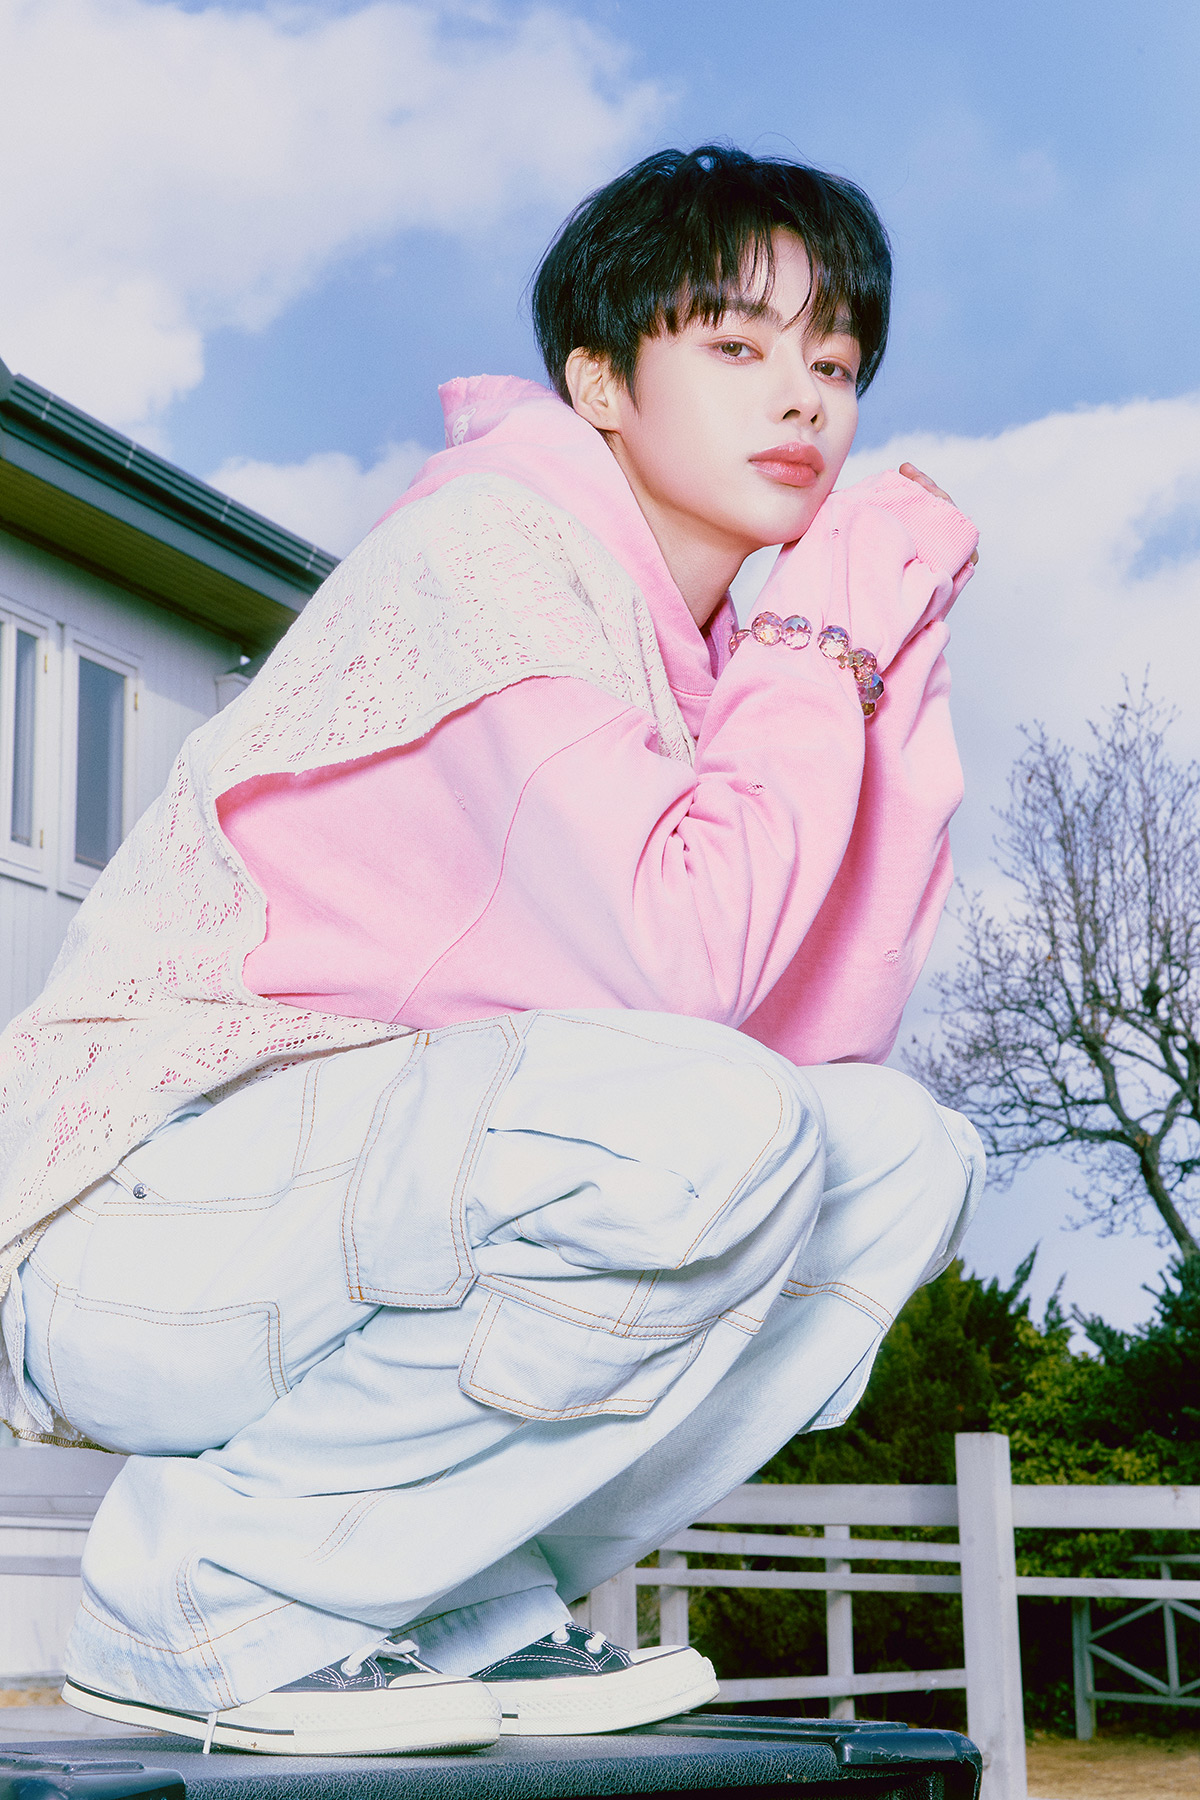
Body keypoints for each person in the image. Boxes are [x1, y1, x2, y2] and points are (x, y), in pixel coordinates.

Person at [0, 146, 985, 1756]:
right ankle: (206, 1594)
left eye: (835, 364)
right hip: (135, 1224)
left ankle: (459, 1586)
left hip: (361, 1217)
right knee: (707, 1129)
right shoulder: (492, 550)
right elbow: (689, 971)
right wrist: (819, 638)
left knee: (893, 1155)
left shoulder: (712, 664)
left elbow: (809, 1039)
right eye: (735, 345)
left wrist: (890, 658)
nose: (801, 399)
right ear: (599, 382)